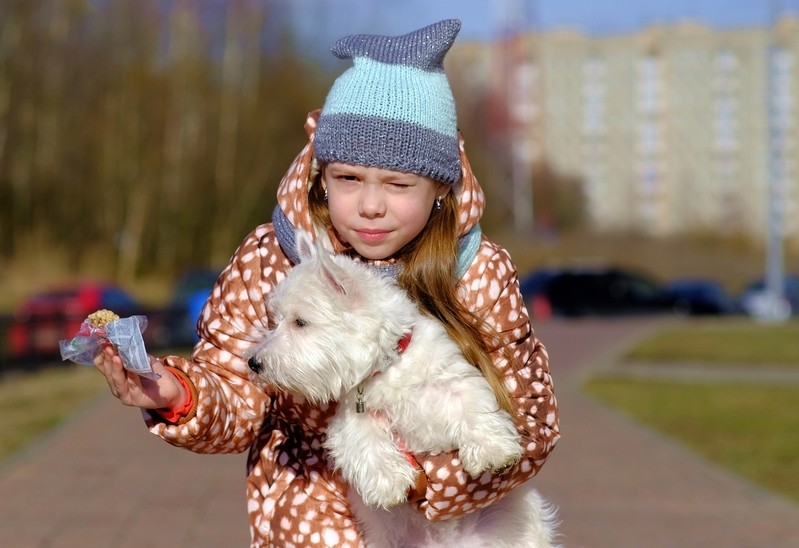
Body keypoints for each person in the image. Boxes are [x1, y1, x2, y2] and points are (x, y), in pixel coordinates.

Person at [94, 19, 559, 547]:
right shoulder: (272, 256)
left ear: (439, 189)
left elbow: (531, 423)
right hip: (307, 518)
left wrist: (423, 483)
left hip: (467, 527)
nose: (370, 205)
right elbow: (239, 386)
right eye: (348, 178)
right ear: (321, 176)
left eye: (398, 184)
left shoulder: (479, 272)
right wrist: (179, 394)